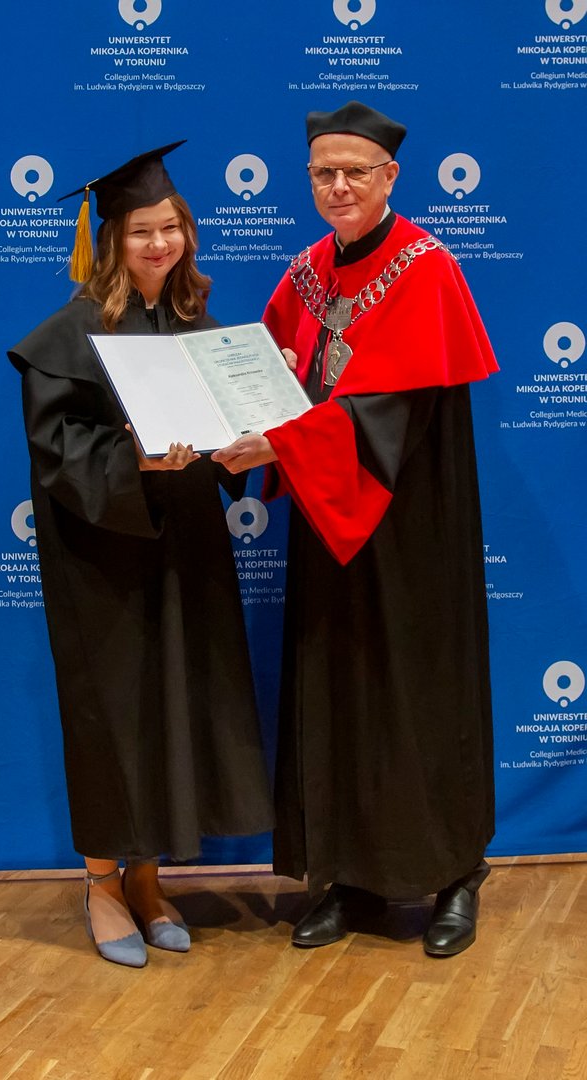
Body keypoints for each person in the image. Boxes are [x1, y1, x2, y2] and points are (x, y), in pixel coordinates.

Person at [213, 101, 497, 957]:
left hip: (412, 529)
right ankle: (346, 877)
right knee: (335, 689)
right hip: (329, 522)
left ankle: (454, 875)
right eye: (323, 173)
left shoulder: (426, 269)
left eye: (355, 172)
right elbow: (265, 375)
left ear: (389, 176)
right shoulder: (304, 273)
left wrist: (283, 441)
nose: (338, 186)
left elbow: (389, 413)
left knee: (419, 693)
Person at [8, 142, 273, 969]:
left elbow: (228, 431)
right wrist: (134, 460)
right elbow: (56, 453)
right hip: (103, 559)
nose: (160, 244)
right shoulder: (69, 333)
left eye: (171, 228)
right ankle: (101, 882)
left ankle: (151, 879)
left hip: (187, 547)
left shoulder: (199, 327)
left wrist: (247, 440)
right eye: (140, 231)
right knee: (113, 713)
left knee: (178, 705)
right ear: (111, 240)